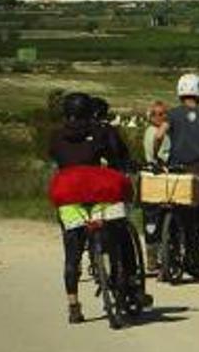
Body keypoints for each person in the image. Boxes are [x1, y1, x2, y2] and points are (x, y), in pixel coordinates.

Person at [48, 92, 146, 323]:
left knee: (72, 254)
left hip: (69, 195)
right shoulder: (100, 131)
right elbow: (116, 158)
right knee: (117, 233)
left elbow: (55, 156)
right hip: (98, 192)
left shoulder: (56, 136)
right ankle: (123, 282)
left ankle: (73, 306)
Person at [151, 73, 199, 280]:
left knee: (181, 215)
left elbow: (158, 136)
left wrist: (157, 157)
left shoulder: (172, 115)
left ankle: (174, 260)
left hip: (178, 171)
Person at [141, 100, 170, 272]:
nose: (162, 117)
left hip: (154, 177)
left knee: (152, 218)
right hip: (157, 175)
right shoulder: (155, 133)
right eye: (157, 114)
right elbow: (158, 155)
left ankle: (154, 256)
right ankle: (154, 256)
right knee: (154, 218)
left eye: (164, 113)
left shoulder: (155, 131)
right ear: (150, 117)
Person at [143, 101, 171, 165]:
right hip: (160, 168)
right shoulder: (156, 132)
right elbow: (158, 139)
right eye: (161, 114)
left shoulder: (149, 130)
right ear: (152, 117)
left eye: (166, 113)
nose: (165, 116)